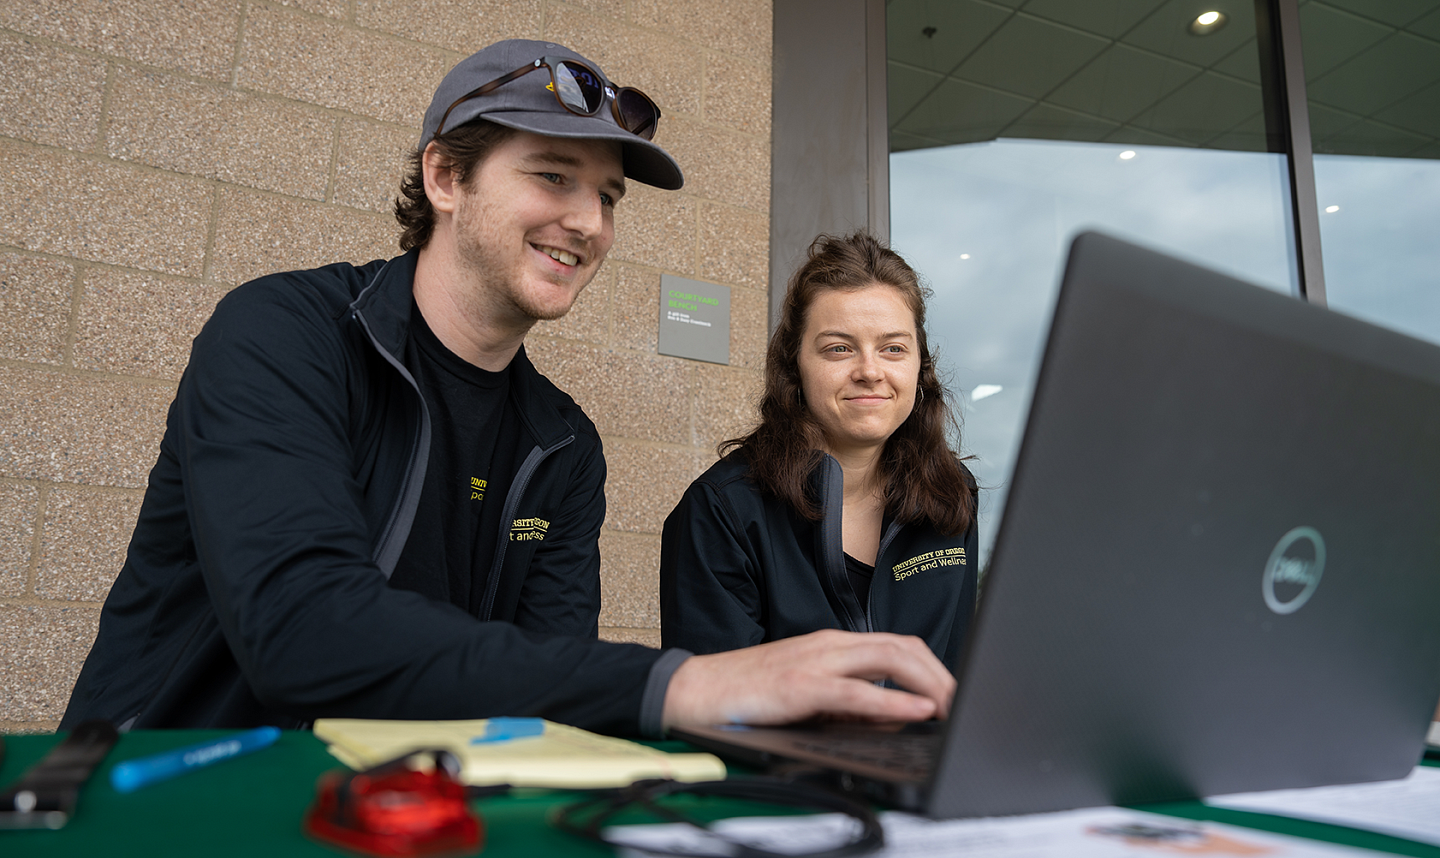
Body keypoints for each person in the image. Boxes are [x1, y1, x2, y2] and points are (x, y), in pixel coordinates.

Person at [60, 41, 954, 738]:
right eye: (552, 176)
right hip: (172, 803)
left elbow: (545, 683)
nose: (588, 223)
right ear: (446, 176)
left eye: (607, 196)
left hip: (401, 825)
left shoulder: (564, 445)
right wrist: (681, 683)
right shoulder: (282, 334)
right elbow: (305, 630)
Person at [660, 232, 978, 670]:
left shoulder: (952, 491)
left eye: (893, 348)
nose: (869, 371)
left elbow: (957, 674)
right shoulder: (723, 510)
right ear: (795, 365)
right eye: (839, 348)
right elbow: (714, 711)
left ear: (920, 365)